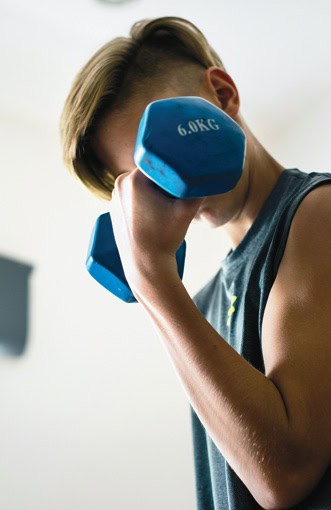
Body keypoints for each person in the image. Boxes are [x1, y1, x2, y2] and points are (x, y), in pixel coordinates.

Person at [59, 16, 331, 509]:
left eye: (167, 147)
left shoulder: (318, 211)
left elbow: (284, 474)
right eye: (146, 177)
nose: (172, 184)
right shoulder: (200, 304)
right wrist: (160, 289)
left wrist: (152, 279)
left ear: (223, 95)